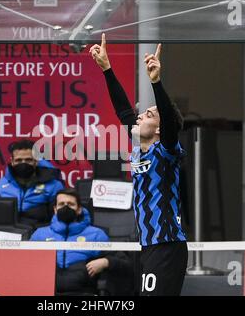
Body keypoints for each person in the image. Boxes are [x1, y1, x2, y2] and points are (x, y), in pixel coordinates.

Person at [89, 34, 188, 296]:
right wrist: (107, 69)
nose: (141, 115)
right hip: (148, 246)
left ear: (159, 129)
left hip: (167, 245)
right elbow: (123, 110)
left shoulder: (165, 150)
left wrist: (156, 82)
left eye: (149, 114)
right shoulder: (137, 149)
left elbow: (168, 121)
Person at [30, 188, 133, 295]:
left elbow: (125, 263)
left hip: (83, 293)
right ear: (55, 209)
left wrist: (106, 262)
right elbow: (27, 264)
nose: (66, 207)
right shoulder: (40, 234)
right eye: (61, 204)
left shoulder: (96, 235)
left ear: (79, 209)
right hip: (46, 292)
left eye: (70, 204)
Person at [0, 139, 64, 226]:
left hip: (38, 235)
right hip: (6, 235)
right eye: (18, 160)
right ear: (12, 161)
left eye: (28, 160)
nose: (23, 163)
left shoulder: (54, 185)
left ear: (36, 161)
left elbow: (58, 221)